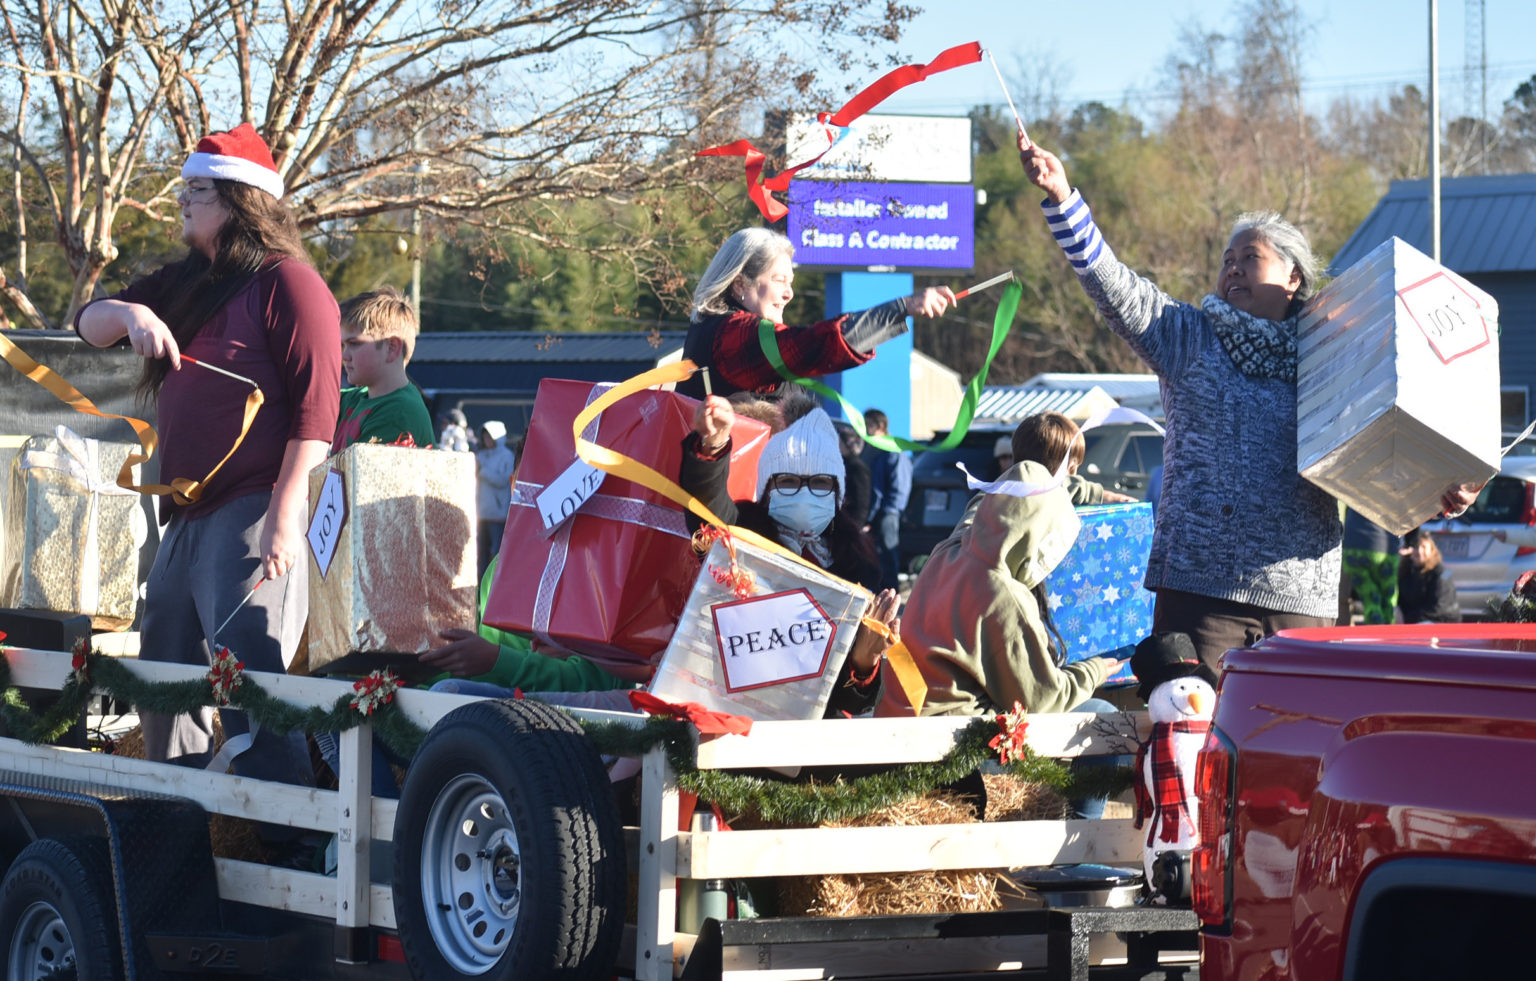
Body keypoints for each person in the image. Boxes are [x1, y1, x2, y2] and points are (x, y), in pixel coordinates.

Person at [1016, 132, 1482, 673]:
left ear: (1293, 276)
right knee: (1193, 740)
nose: (1232, 267)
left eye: (1249, 257)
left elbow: (1382, 456)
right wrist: (1062, 199)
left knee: (1292, 748)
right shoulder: (1186, 335)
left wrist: (1440, 489)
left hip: (1302, 602)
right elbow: (1112, 285)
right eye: (1226, 259)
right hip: (1201, 597)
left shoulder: (1338, 360)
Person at [75, 122, 340, 859]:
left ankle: (295, 843)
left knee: (249, 678)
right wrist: (130, 314)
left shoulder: (290, 282)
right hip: (186, 515)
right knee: (165, 670)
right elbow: (85, 321)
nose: (182, 203)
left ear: (238, 199)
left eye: (195, 190)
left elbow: (319, 412)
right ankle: (179, 837)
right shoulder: (189, 279)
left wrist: (286, 516)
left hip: (255, 509)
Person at [681, 390, 901, 716]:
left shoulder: (858, 568)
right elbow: (706, 511)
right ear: (767, 489)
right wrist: (713, 444)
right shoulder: (743, 537)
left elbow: (851, 702)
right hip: (730, 715)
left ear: (838, 494)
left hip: (809, 739)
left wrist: (863, 658)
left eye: (821, 484)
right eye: (787, 481)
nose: (804, 493)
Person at [674, 227, 955, 400]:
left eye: (791, 282)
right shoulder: (732, 335)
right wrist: (903, 308)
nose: (789, 293)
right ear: (740, 284)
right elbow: (812, 345)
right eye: (778, 280)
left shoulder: (716, 330)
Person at [329, 285, 435, 451]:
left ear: (392, 348)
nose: (345, 356)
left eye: (354, 344)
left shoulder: (399, 413)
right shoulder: (357, 398)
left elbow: (364, 475)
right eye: (343, 345)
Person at [1010, 412, 1136, 507]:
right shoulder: (1048, 498)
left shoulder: (999, 495)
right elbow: (1067, 486)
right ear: (1071, 466)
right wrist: (1107, 496)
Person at [864, 408, 911, 591]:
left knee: (888, 558)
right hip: (875, 514)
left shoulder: (893, 451)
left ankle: (891, 598)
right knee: (875, 559)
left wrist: (891, 510)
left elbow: (900, 485)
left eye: (869, 425)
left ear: (881, 426)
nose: (866, 430)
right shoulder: (874, 451)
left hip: (887, 514)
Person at [1342, 509, 1402, 625]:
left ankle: (1375, 631)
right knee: (1388, 600)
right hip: (1385, 547)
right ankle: (1386, 637)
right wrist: (1412, 542)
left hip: (1353, 546)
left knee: (1370, 599)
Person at [475, 420, 516, 573]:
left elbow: (502, 481)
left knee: (497, 554)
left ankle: (495, 585)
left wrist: (482, 470)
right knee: (480, 555)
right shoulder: (481, 456)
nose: (487, 440)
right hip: (481, 514)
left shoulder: (507, 456)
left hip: (498, 515)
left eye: (490, 437)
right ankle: (480, 587)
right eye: (485, 437)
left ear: (498, 438)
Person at [1398, 527, 1461, 623]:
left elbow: (1438, 606)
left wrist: (1410, 618)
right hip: (1415, 619)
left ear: (1432, 550)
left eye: (1423, 547)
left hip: (1441, 620)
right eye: (1416, 547)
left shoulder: (1444, 573)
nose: (1419, 551)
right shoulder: (1406, 571)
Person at [834, 420, 872, 528]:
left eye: (840, 441)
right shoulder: (841, 464)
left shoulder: (857, 468)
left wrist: (857, 525)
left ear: (848, 444)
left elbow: (861, 500)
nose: (837, 444)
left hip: (850, 522)